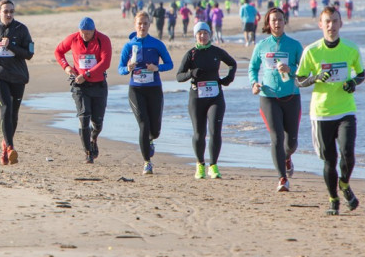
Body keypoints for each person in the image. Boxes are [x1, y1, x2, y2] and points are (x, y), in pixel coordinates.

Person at [296, 5, 365, 215]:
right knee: (330, 160)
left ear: (340, 23)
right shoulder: (312, 51)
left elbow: (361, 74)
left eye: (335, 21)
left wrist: (353, 83)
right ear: (320, 25)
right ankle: (333, 199)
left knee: (348, 155)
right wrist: (315, 78)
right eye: (327, 21)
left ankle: (344, 184)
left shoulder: (351, 49)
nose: (331, 26)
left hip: (346, 110)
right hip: (321, 113)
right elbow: (299, 80)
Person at [248, 8, 304, 192]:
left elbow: (306, 71)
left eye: (280, 20)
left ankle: (287, 157)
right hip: (268, 97)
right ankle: (282, 178)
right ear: (268, 23)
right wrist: (254, 83)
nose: (277, 23)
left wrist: (291, 70)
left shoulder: (294, 45)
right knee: (277, 138)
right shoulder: (262, 46)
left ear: (284, 21)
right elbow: (253, 68)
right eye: (273, 20)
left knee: (291, 143)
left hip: (291, 97)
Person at [176, 22, 237, 179]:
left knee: (215, 131)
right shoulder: (192, 54)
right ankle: (200, 165)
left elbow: (232, 63)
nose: (202, 36)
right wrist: (191, 73)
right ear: (195, 36)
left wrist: (228, 78)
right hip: (197, 97)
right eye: (199, 34)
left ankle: (214, 166)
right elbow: (179, 76)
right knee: (199, 133)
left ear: (210, 35)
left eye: (205, 33)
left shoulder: (216, 52)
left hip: (215, 97)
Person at [0, 0, 34, 166]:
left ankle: (4, 146)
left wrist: (12, 47)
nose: (9, 14)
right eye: (5, 11)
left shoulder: (21, 29)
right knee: (6, 108)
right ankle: (10, 148)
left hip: (18, 76)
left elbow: (29, 53)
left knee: (14, 113)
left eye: (11, 11)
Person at [118, 11, 173, 175]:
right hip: (136, 89)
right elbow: (120, 69)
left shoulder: (157, 44)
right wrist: (128, 68)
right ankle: (146, 163)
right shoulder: (129, 46)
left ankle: (150, 139)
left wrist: (157, 68)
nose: (142, 26)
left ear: (150, 25)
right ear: (135, 25)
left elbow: (169, 64)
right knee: (143, 124)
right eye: (139, 24)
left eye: (145, 24)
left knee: (155, 130)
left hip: (154, 88)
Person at [54, 17, 113, 164]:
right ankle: (88, 153)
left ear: (94, 30)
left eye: (88, 33)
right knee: (84, 117)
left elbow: (105, 63)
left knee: (97, 122)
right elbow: (58, 51)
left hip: (98, 85)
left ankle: (94, 138)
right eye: (82, 33)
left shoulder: (103, 40)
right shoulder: (73, 39)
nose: (85, 36)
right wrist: (66, 67)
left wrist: (87, 75)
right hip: (80, 86)